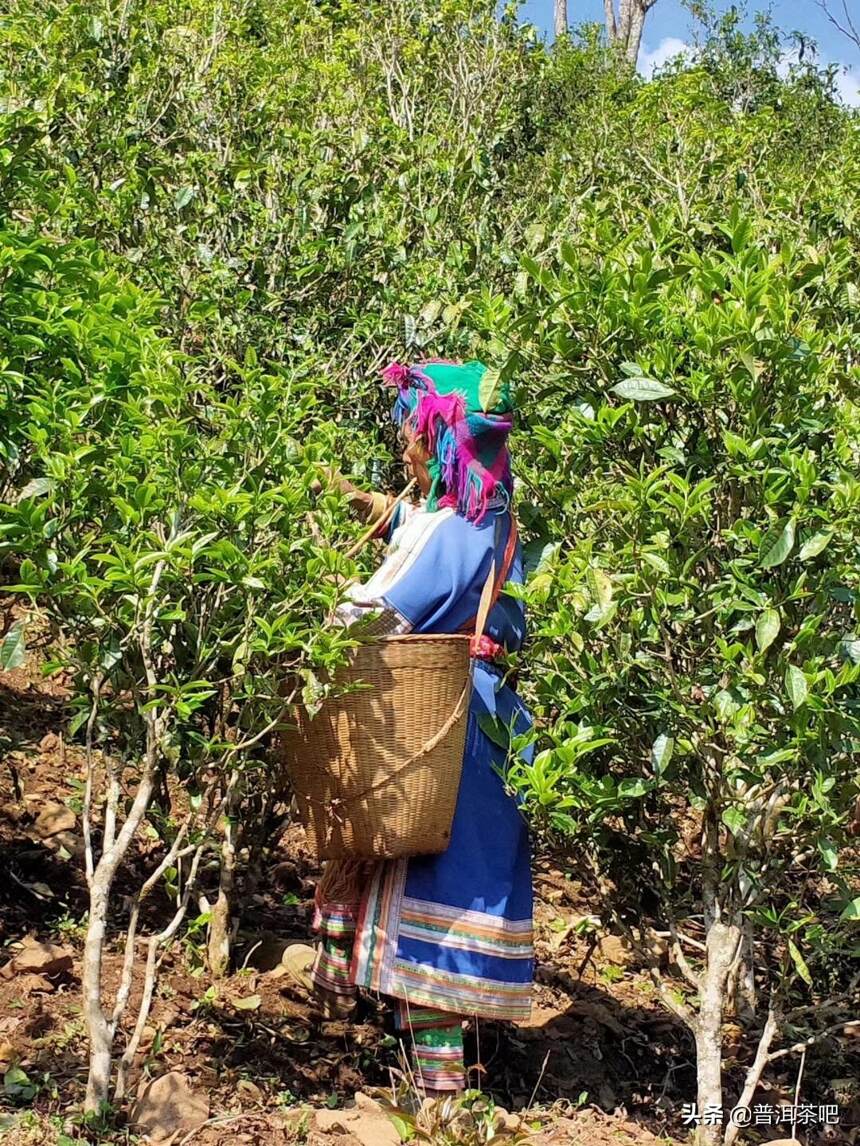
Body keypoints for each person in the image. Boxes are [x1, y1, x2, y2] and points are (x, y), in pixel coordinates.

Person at [282, 359, 534, 1097]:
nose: (401, 440)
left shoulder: (457, 531)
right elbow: (414, 528)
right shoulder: (486, 512)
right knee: (436, 891)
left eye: (412, 428)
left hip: (445, 729)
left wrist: (298, 630)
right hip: (482, 723)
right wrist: (360, 502)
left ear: (443, 439)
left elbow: (380, 606)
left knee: (436, 906)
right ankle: (415, 1066)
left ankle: (440, 1098)